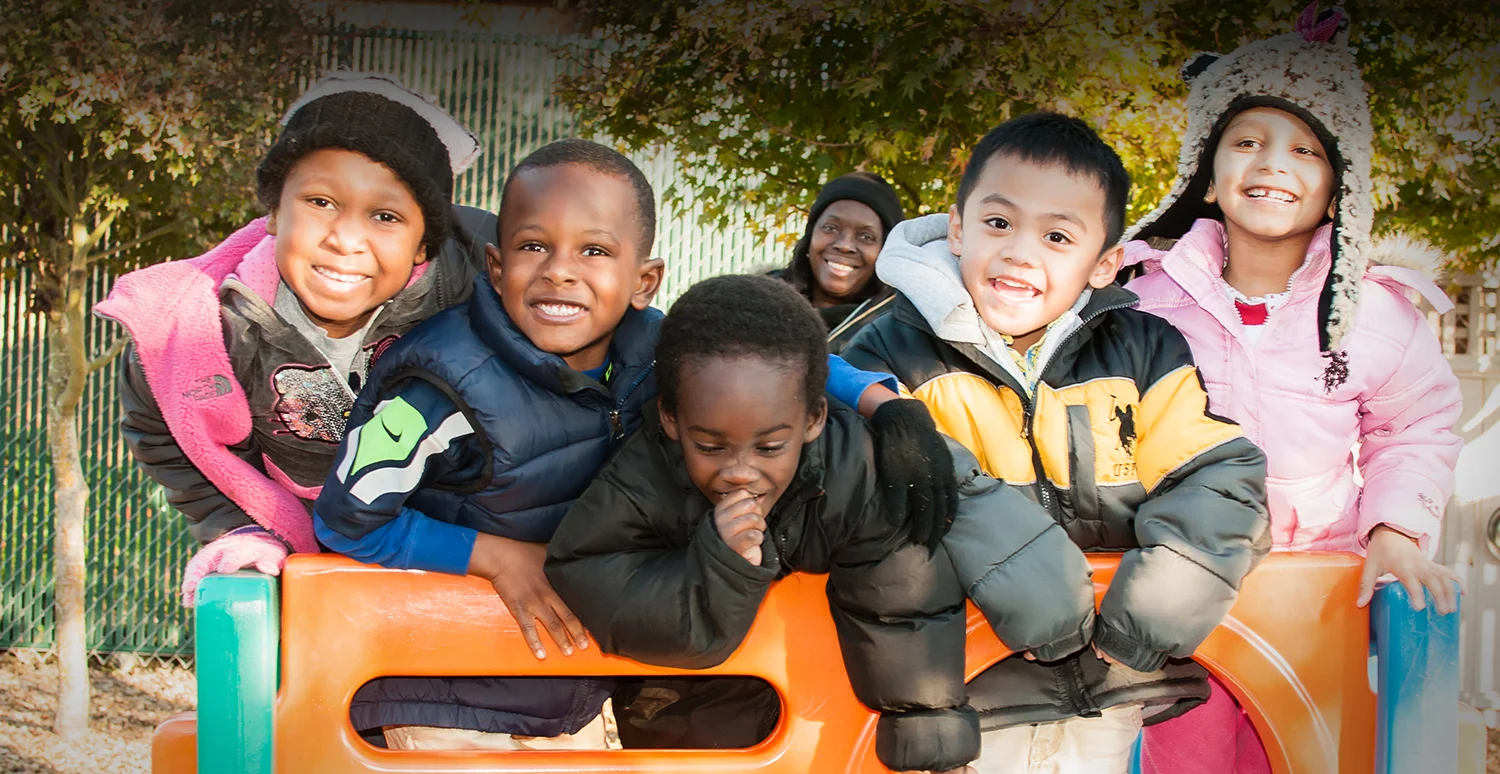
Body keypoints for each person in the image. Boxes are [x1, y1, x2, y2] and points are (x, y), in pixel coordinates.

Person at [312, 139, 961, 750]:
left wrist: (889, 406)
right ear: (497, 262)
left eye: (594, 251)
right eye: (535, 245)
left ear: (644, 279)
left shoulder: (656, 349)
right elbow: (346, 519)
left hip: (572, 692)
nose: (560, 272)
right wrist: (493, 556)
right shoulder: (440, 385)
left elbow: (778, 359)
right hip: (442, 700)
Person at [842, 111, 1271, 774]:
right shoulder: (887, 354)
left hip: (1111, 686)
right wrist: (1026, 573)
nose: (1019, 251)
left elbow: (1217, 476)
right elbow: (887, 484)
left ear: (1103, 264)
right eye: (997, 222)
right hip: (967, 697)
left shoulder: (1143, 351)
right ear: (957, 229)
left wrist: (1153, 615)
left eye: (1057, 235)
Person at [1117, 5, 1465, 771]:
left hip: (1314, 600)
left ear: (1342, 189)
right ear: (1206, 176)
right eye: (1246, 141)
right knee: (1185, 753)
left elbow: (1415, 426)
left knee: (1304, 751)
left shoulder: (1375, 314)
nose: (1273, 163)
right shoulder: (1146, 298)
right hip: (1184, 591)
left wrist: (1397, 532)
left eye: (1307, 149)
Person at [544, 274, 1005, 773]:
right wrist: (722, 563)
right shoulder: (643, 477)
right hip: (689, 726)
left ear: (812, 420)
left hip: (832, 718)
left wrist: (927, 734)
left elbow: (903, 594)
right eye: (711, 446)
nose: (740, 470)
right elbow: (587, 568)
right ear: (672, 419)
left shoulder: (855, 467)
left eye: (768, 448)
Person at [94, 72, 492, 606]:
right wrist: (244, 529)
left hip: (465, 548)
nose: (345, 239)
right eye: (321, 202)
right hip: (315, 572)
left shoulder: (481, 283)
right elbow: (163, 434)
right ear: (274, 214)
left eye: (385, 215)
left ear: (425, 245)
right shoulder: (194, 333)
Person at [770, 171, 906, 352]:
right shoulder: (758, 304)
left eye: (866, 236)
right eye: (830, 228)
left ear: (884, 250)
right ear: (810, 235)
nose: (844, 245)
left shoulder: (898, 334)